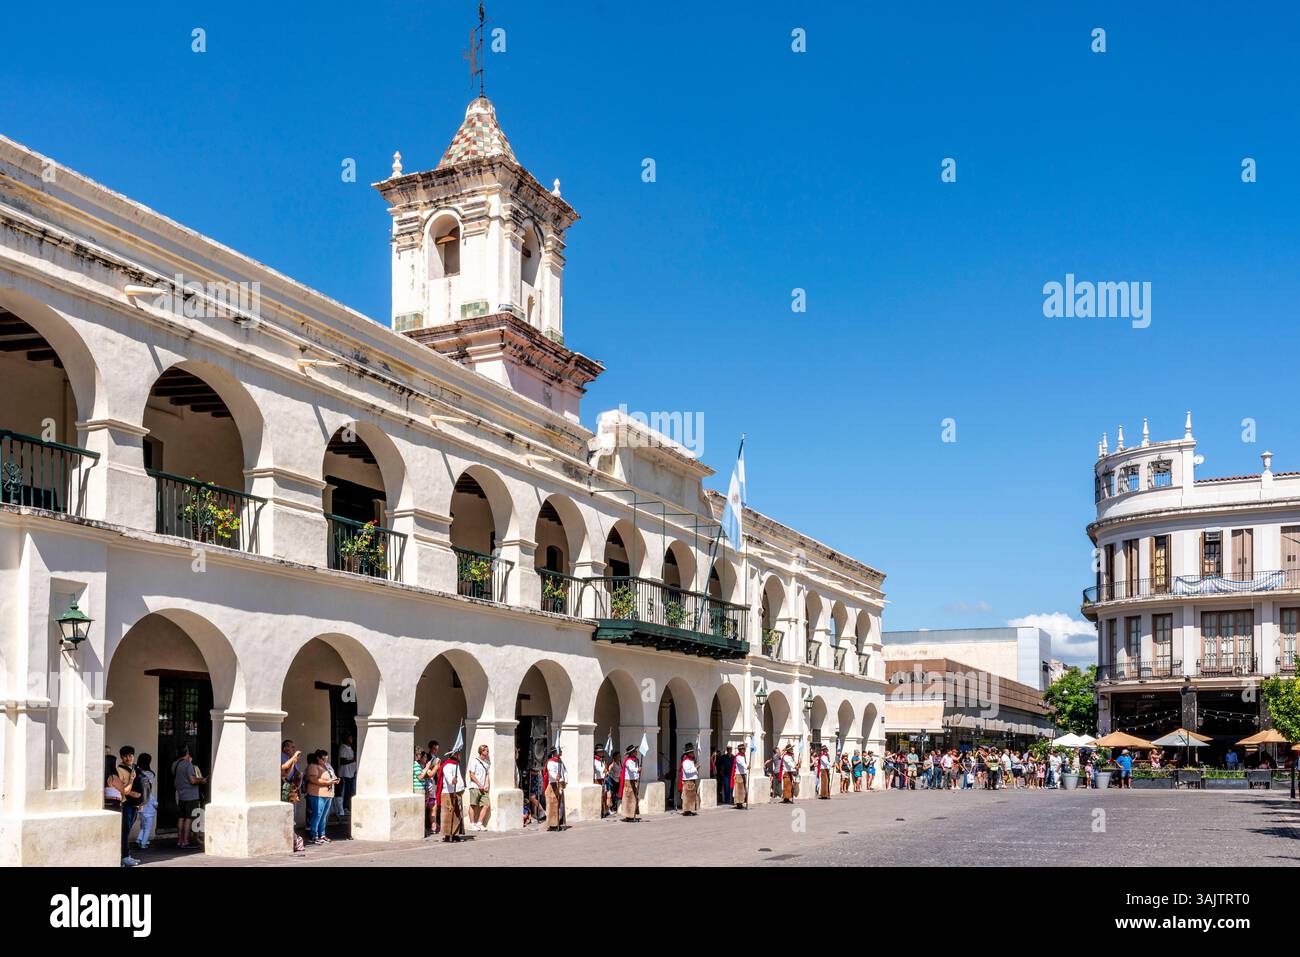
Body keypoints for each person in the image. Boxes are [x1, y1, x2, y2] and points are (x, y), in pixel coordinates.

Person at [172, 744, 206, 849]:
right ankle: (186, 841)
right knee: (189, 818)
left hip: (181, 794)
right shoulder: (188, 765)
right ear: (186, 753)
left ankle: (179, 840)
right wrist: (201, 780)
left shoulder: (175, 764)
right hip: (191, 795)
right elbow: (192, 780)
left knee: (181, 818)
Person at [116, 746, 143, 863]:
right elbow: (120, 788)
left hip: (135, 805)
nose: (129, 758)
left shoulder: (135, 768)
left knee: (128, 830)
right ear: (122, 757)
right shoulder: (119, 770)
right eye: (126, 756)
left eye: (131, 755)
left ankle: (127, 856)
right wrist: (131, 792)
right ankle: (124, 857)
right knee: (125, 832)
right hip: (126, 804)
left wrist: (140, 802)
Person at [438, 743, 466, 842]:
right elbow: (448, 776)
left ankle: (455, 834)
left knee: (457, 814)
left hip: (457, 792)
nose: (460, 754)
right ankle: (447, 834)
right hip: (449, 793)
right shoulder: (448, 765)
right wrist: (451, 780)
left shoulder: (456, 765)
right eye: (458, 753)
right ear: (453, 754)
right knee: (448, 814)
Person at [134, 753, 158, 850]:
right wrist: (155, 804)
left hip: (139, 802)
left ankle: (139, 839)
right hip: (148, 804)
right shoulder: (150, 774)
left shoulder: (136, 772)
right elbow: (149, 792)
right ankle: (143, 843)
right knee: (147, 827)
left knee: (142, 825)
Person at [468, 744, 492, 832]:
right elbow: (471, 775)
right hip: (474, 786)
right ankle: (472, 824)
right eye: (486, 751)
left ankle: (479, 823)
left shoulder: (486, 763)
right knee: (473, 805)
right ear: (482, 751)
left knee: (486, 804)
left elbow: (487, 774)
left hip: (483, 788)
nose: (488, 752)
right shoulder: (474, 761)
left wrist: (486, 785)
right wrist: (479, 785)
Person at [335, 732, 357, 818]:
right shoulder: (343, 748)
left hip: (351, 773)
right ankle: (343, 808)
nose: (352, 739)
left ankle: (346, 807)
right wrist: (353, 760)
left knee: (349, 791)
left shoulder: (350, 748)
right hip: (345, 773)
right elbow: (343, 761)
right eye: (350, 738)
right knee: (345, 791)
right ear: (346, 738)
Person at [543, 746, 565, 831]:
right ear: (555, 752)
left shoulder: (560, 762)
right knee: (553, 805)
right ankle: (553, 825)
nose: (562, 752)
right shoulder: (550, 762)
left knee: (559, 805)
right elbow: (551, 772)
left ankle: (559, 822)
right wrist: (556, 776)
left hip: (559, 784)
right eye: (560, 751)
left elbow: (564, 771)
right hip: (553, 785)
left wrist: (564, 780)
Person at [619, 744, 641, 821]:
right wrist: (637, 769)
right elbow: (631, 769)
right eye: (635, 751)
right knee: (629, 799)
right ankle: (628, 815)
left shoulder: (635, 760)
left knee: (634, 799)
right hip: (628, 782)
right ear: (632, 752)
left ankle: (632, 814)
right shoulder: (628, 761)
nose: (636, 752)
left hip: (634, 781)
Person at [678, 743, 700, 815]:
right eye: (692, 752)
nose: (693, 753)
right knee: (687, 797)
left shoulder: (690, 760)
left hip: (691, 780)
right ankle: (686, 811)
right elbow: (687, 771)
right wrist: (695, 768)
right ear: (689, 753)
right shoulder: (686, 761)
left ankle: (690, 810)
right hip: (688, 781)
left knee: (691, 796)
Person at [732, 742, 749, 809]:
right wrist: (747, 766)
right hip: (739, 775)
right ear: (741, 749)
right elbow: (742, 764)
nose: (745, 750)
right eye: (744, 749)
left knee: (743, 790)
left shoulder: (743, 756)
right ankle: (739, 803)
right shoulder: (738, 757)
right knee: (739, 790)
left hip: (743, 774)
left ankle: (741, 802)